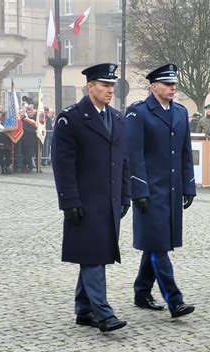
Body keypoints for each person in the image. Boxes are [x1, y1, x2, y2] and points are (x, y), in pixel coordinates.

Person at [51, 63, 130, 332]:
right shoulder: (70, 119)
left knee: (95, 252)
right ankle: (103, 313)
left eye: (112, 85)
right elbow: (63, 164)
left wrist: (125, 195)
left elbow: (123, 161)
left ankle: (84, 309)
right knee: (94, 256)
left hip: (109, 200)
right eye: (104, 85)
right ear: (90, 86)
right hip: (85, 201)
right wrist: (69, 201)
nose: (109, 90)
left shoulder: (118, 119)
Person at [125, 63, 196, 318]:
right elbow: (133, 156)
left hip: (172, 191)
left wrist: (189, 186)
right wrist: (139, 190)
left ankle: (142, 291)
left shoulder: (180, 112)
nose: (172, 87)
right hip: (150, 191)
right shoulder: (138, 113)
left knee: (156, 244)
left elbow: (185, 153)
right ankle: (174, 300)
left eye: (174, 83)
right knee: (159, 247)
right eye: (167, 84)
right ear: (153, 86)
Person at [21, 106, 37, 173]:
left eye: (32, 112)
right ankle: (27, 166)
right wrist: (34, 130)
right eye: (29, 112)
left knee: (30, 154)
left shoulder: (35, 120)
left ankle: (30, 167)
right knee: (27, 154)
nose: (31, 113)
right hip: (26, 139)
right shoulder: (25, 120)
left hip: (33, 140)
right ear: (27, 113)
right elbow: (25, 129)